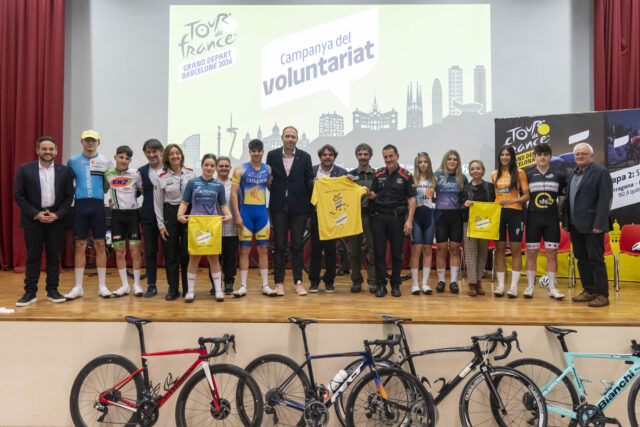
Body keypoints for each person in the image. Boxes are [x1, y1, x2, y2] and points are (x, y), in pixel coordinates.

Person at [14, 136, 74, 306]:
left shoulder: (65, 171)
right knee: (33, 257)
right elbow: (19, 195)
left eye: (51, 149)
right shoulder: (25, 169)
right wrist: (36, 213)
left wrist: (58, 214)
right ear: (37, 150)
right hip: (33, 221)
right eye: (44, 149)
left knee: (53, 258)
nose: (48, 152)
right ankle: (30, 293)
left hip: (56, 221)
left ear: (56, 151)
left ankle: (52, 291)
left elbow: (69, 196)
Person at [65, 130, 113, 299]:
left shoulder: (106, 161)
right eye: (87, 140)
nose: (90, 143)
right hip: (80, 205)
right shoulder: (72, 161)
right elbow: (68, 184)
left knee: (100, 244)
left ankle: (102, 286)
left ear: (98, 142)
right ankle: (78, 287)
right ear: (82, 141)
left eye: (93, 140)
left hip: (98, 205)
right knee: (80, 245)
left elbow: (109, 185)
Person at [177, 154, 232, 302]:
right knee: (193, 258)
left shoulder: (218, 185)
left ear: (215, 168)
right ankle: (190, 291)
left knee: (214, 258)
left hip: (212, 225)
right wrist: (180, 215)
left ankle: (218, 290)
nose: (209, 168)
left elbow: (223, 205)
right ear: (202, 166)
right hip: (196, 224)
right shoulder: (192, 182)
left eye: (212, 165)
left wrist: (229, 215)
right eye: (206, 165)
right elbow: (184, 202)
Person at [266, 126, 314, 296]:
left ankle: (298, 282)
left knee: (297, 245)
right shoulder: (272, 155)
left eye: (293, 136)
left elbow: (309, 181)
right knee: (279, 245)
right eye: (287, 136)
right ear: (282, 137)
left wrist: (318, 184)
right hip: (279, 206)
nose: (290, 139)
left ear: (297, 139)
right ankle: (279, 282)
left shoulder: (305, 157)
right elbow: (268, 179)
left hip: (299, 207)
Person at [563, 142, 613, 307]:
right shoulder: (571, 174)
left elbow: (605, 199)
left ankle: (602, 295)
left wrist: (600, 223)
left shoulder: (600, 172)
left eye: (583, 153)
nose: (580, 156)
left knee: (596, 260)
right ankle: (589, 290)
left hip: (593, 226)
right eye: (577, 154)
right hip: (575, 225)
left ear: (591, 156)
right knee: (582, 259)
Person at [368, 144, 416, 297]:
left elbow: (412, 199)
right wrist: (368, 193)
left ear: (397, 156)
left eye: (391, 156)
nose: (388, 159)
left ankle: (396, 284)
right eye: (385, 157)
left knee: (396, 253)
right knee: (379, 252)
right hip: (379, 217)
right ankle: (381, 284)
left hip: (397, 218)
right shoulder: (378, 174)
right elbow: (374, 194)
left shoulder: (406, 175)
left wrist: (409, 220)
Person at [231, 139, 277, 298]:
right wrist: (237, 215)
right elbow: (233, 193)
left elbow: (270, 187)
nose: (256, 153)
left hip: (262, 214)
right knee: (244, 250)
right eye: (253, 151)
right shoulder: (240, 169)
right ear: (249, 151)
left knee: (263, 249)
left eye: (259, 151)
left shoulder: (268, 169)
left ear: (263, 151)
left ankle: (265, 285)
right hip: (245, 214)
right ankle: (243, 286)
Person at [524, 143, 567, 300]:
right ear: (535, 157)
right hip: (532, 219)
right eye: (539, 154)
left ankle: (552, 288)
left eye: (545, 154)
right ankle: (530, 287)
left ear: (550, 156)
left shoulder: (559, 175)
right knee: (531, 253)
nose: (542, 157)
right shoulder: (527, 175)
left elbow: (562, 199)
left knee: (552, 254)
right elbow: (524, 198)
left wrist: (554, 213)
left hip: (551, 220)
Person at [154, 144, 195, 300]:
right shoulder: (160, 176)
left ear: (181, 155)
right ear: (167, 157)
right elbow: (158, 203)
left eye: (177, 153)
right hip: (170, 214)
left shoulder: (191, 173)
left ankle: (187, 289)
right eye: (171, 154)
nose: (175, 156)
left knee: (186, 254)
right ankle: (173, 289)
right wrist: (161, 225)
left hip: (188, 214)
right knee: (170, 254)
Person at [104, 145, 144, 297]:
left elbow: (143, 192)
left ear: (130, 160)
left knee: (135, 252)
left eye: (127, 158)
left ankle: (137, 285)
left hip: (133, 216)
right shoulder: (108, 174)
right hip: (117, 216)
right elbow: (104, 190)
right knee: (119, 252)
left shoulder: (136, 174)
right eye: (121, 157)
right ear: (115, 157)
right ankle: (124, 285)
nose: (124, 160)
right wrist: (110, 201)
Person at [309, 144, 348, 293]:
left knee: (331, 251)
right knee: (315, 251)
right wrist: (312, 183)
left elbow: (347, 189)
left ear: (334, 157)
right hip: (315, 216)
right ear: (320, 157)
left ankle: (329, 281)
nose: (327, 157)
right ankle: (314, 281)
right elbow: (305, 186)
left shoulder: (342, 172)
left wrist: (350, 180)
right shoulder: (312, 171)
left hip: (333, 218)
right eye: (324, 155)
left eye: (330, 155)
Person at [492, 145, 530, 298]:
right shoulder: (494, 174)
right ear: (499, 157)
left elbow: (526, 196)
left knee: (515, 250)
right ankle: (501, 285)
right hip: (498, 214)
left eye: (507, 154)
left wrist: (512, 200)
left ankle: (513, 287)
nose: (504, 157)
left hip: (515, 213)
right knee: (499, 249)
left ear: (512, 157)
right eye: (502, 154)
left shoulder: (520, 173)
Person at [434, 150, 468, 294]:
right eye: (449, 159)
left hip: (456, 217)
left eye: (455, 159)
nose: (452, 161)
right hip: (440, 216)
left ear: (458, 162)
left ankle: (453, 282)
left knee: (454, 249)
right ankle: (441, 281)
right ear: (445, 160)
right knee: (441, 249)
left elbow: (465, 198)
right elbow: (430, 195)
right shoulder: (436, 176)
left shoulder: (462, 178)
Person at [462, 160, 495, 297]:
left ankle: (479, 281)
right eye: (472, 169)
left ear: (483, 170)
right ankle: (471, 283)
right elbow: (460, 207)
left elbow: (494, 204)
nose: (475, 171)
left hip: (485, 224)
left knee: (482, 253)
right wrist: (464, 204)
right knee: (471, 254)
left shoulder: (490, 187)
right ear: (470, 172)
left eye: (478, 168)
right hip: (469, 223)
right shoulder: (465, 188)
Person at [348, 143, 377, 293]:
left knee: (373, 249)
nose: (363, 157)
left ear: (370, 156)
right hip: (355, 216)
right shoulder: (351, 176)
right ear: (356, 156)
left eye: (365, 154)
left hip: (371, 216)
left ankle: (372, 281)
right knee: (354, 251)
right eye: (360, 154)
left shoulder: (377, 174)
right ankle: (356, 281)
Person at [137, 139, 164, 298]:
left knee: (170, 253)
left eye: (154, 151)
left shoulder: (169, 170)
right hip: (148, 217)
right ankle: (151, 285)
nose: (151, 154)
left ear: (161, 152)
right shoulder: (140, 171)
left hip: (167, 218)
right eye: (148, 152)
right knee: (150, 252)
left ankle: (173, 286)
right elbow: (134, 192)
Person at [410, 152, 437, 295]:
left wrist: (433, 197)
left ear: (429, 163)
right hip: (416, 216)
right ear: (417, 164)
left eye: (425, 162)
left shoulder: (434, 179)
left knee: (428, 249)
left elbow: (437, 200)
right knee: (416, 249)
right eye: (420, 162)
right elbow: (408, 199)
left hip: (429, 216)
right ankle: (415, 284)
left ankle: (425, 284)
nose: (423, 164)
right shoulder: (412, 178)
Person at [214, 156, 238, 295]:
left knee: (230, 257)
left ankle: (229, 283)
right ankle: (215, 285)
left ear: (230, 168)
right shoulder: (210, 184)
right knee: (214, 258)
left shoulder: (235, 185)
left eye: (226, 166)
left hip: (231, 228)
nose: (224, 168)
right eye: (221, 166)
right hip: (213, 228)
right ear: (216, 168)